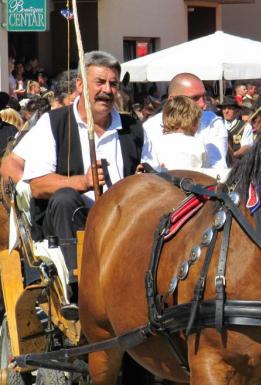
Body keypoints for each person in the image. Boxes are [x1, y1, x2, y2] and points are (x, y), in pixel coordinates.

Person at [13, 51, 158, 319]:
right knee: (66, 196)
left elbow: (153, 171)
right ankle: (79, 288)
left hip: (123, 222)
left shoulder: (132, 127)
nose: (107, 90)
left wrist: (145, 176)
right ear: (80, 84)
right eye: (99, 82)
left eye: (113, 84)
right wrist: (83, 182)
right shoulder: (54, 123)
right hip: (75, 222)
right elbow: (37, 185)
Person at [143, 73, 228, 170]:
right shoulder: (150, 127)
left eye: (204, 97)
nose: (202, 104)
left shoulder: (212, 122)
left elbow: (218, 168)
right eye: (194, 98)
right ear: (173, 100)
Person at [154, 96, 206, 172]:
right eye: (197, 121)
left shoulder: (158, 142)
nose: (199, 125)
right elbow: (204, 170)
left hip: (162, 181)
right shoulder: (197, 144)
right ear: (192, 120)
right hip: (190, 181)